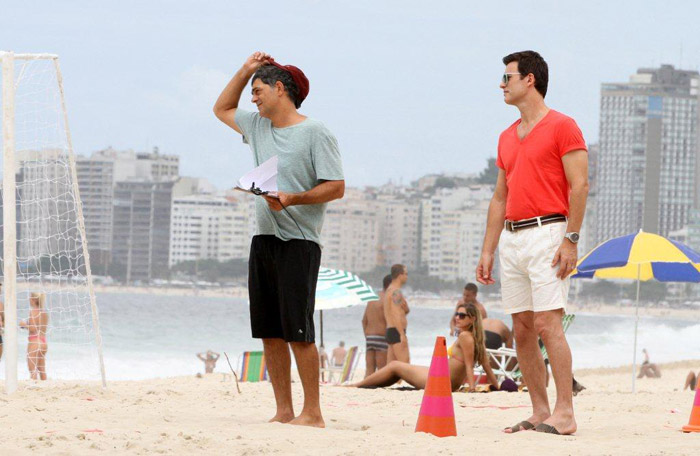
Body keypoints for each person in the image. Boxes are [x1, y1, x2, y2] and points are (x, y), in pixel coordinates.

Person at [214, 51, 344, 428]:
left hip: (300, 241)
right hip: (264, 238)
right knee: (269, 332)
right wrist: (246, 70)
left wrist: (293, 197)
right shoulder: (257, 127)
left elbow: (336, 187)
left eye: (257, 90)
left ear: (279, 88)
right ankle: (284, 410)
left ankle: (313, 413)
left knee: (298, 331)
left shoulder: (315, 131)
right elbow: (221, 107)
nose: (252, 98)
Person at [476, 50, 588, 435]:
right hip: (512, 237)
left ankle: (565, 412)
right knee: (522, 326)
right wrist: (488, 249)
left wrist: (571, 240)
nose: (501, 85)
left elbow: (580, 186)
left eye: (508, 77)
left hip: (550, 232)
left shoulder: (563, 126)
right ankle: (540, 410)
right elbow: (498, 198)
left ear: (530, 80)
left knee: (547, 322)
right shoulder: (506, 136)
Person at [352, 304, 499, 392]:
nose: (457, 318)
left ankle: (358, 385)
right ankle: (366, 385)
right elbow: (486, 365)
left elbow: (468, 365)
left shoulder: (465, 336)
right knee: (397, 369)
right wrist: (497, 387)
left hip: (442, 382)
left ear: (472, 319)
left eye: (462, 316)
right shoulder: (474, 338)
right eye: (457, 314)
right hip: (443, 378)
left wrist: (472, 388)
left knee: (395, 366)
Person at [362, 274, 390, 377]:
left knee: (369, 370)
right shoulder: (388, 299)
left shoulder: (372, 298)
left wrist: (367, 334)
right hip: (381, 337)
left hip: (369, 337)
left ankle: (365, 390)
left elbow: (364, 320)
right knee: (382, 370)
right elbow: (390, 321)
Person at [383, 264, 410, 363]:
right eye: (406, 274)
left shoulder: (389, 290)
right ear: (400, 275)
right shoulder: (396, 292)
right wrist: (402, 334)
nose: (407, 277)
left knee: (393, 369)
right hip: (397, 331)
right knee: (405, 365)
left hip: (391, 330)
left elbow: (399, 312)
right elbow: (396, 314)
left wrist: (406, 309)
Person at [19, 292, 49, 380]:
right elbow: (40, 327)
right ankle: (45, 385)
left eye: (30, 298)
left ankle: (33, 386)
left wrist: (24, 325)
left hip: (34, 342)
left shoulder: (33, 312)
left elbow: (33, 328)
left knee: (32, 369)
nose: (29, 300)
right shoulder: (44, 313)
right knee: (42, 369)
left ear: (33, 300)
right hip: (43, 342)